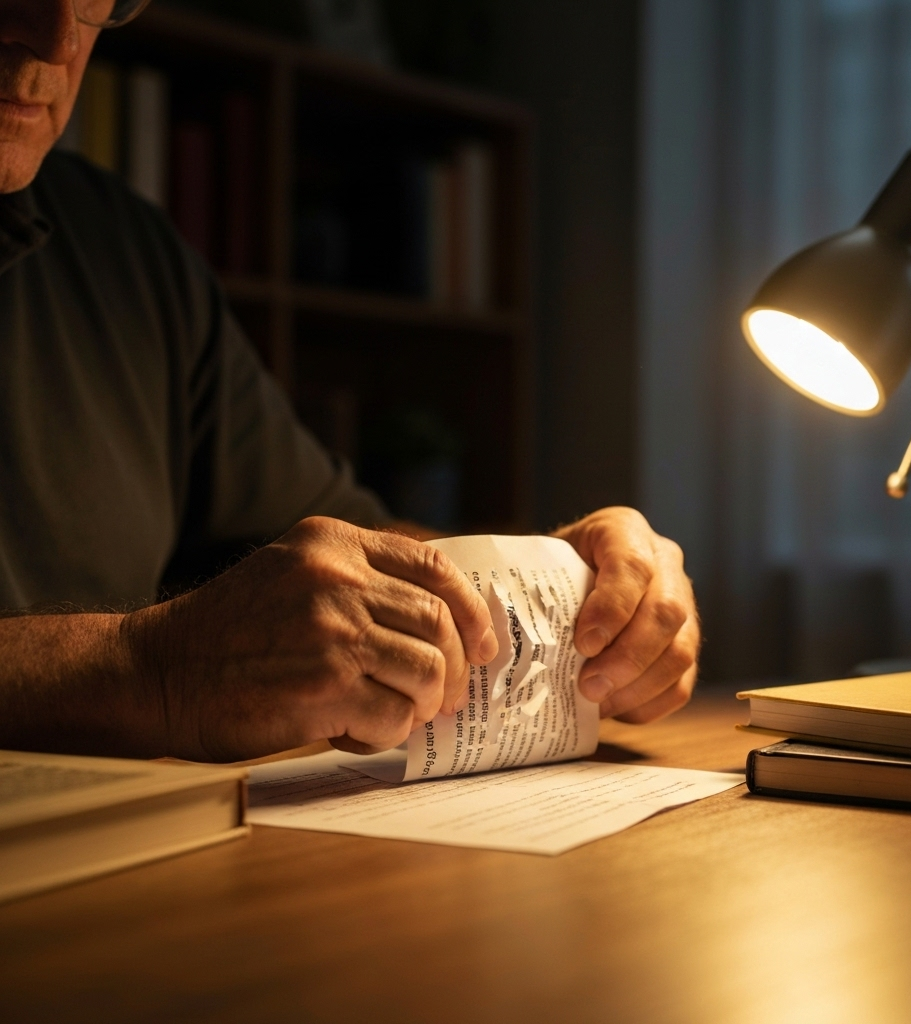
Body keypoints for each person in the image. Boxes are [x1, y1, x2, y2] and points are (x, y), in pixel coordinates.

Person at [0, 0, 700, 763]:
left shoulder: (121, 253)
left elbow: (364, 555)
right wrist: (155, 670)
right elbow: (178, 661)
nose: (56, 37)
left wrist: (566, 590)